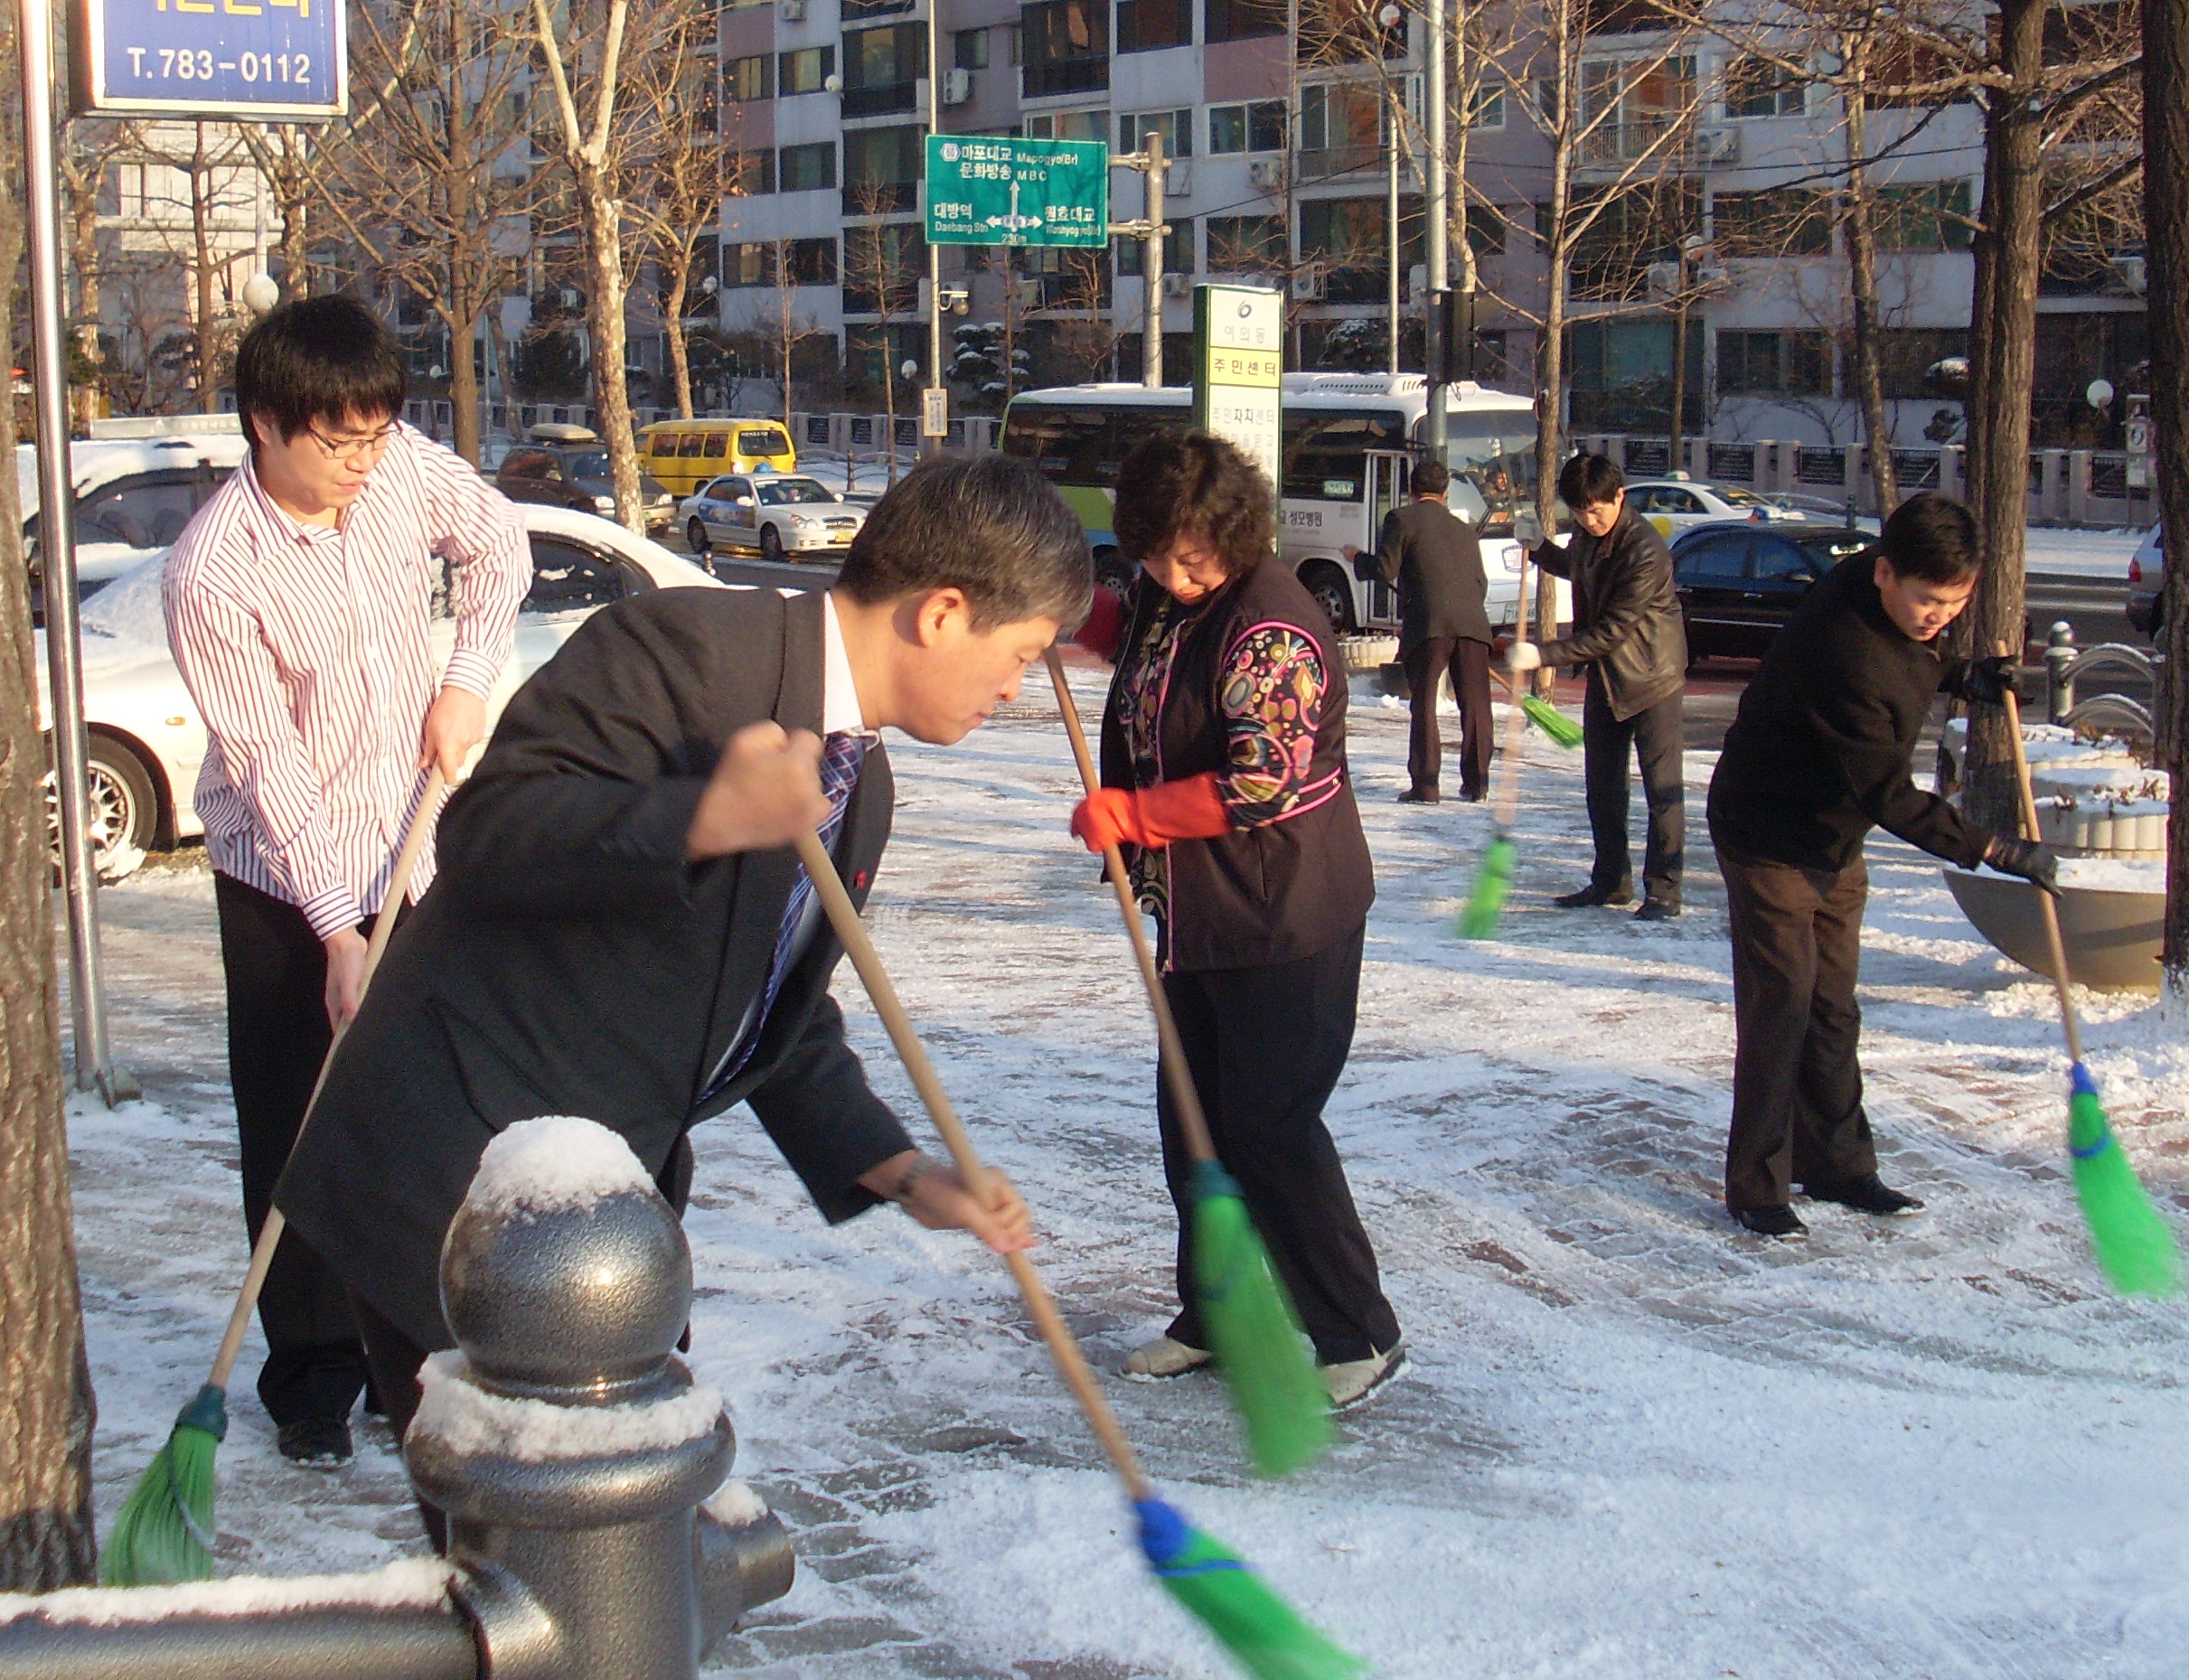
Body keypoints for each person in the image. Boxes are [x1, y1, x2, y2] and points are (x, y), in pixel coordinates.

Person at [276, 455, 1076, 1538]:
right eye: (1020, 655)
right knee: (542, 1564)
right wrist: (700, 818)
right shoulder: (687, 652)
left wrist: (897, 1169)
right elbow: (487, 835)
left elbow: (771, 1010)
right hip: (455, 1179)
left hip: (598, 1219)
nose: (1013, 690)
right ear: (943, 613)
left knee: (628, 1552)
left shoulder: (860, 783)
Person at [162, 295, 532, 1469]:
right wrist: (336, 932)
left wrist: (468, 677)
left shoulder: (400, 472)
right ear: (267, 424)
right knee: (301, 1123)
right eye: (339, 441)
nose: (363, 462)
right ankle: (312, 1372)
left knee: (427, 1117)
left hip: (411, 844)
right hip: (283, 883)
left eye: (378, 434)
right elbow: (270, 770)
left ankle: (415, 1352)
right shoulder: (214, 572)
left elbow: (502, 548)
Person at [1064, 431, 1404, 1411]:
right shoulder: (1169, 604)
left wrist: (1133, 815)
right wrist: (1068, 610)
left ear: (1236, 532)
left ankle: (1358, 1329)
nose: (1175, 573)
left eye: (1192, 554)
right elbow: (1125, 642)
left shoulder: (1273, 626)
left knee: (1270, 1127)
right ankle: (1216, 1310)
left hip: (1284, 914)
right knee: (1195, 1126)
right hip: (1194, 915)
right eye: (1156, 553)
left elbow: (1265, 778)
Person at [1703, 493, 2059, 1239]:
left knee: (1833, 1007)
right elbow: (1889, 795)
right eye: (1930, 601)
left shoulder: (1886, 592)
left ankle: (1836, 1163)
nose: (1941, 617)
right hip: (1771, 834)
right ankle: (1757, 1185)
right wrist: (1993, 848)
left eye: (1955, 604)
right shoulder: (1843, 652)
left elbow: (1915, 655)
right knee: (1784, 1009)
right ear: (1886, 574)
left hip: (1834, 837)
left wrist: (1963, 675)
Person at [1509, 454, 1687, 917]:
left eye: (1598, 510)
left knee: (1661, 789)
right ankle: (1611, 881)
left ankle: (1664, 890)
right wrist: (1542, 548)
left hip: (1651, 678)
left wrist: (1542, 654)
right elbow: (1578, 568)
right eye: (1581, 511)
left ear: (1619, 498)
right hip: (1607, 679)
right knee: (1602, 788)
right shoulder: (1587, 538)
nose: (1590, 520)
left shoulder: (1646, 550)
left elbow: (1612, 630)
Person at [1347, 457, 1495, 802]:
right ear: (1445, 493)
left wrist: (1357, 559)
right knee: (1475, 706)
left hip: (1428, 624)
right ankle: (1478, 783)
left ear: (1411, 491)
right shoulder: (1463, 528)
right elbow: (1480, 583)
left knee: (1425, 703)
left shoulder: (1400, 518)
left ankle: (1426, 785)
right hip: (1473, 622)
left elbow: (1385, 569)